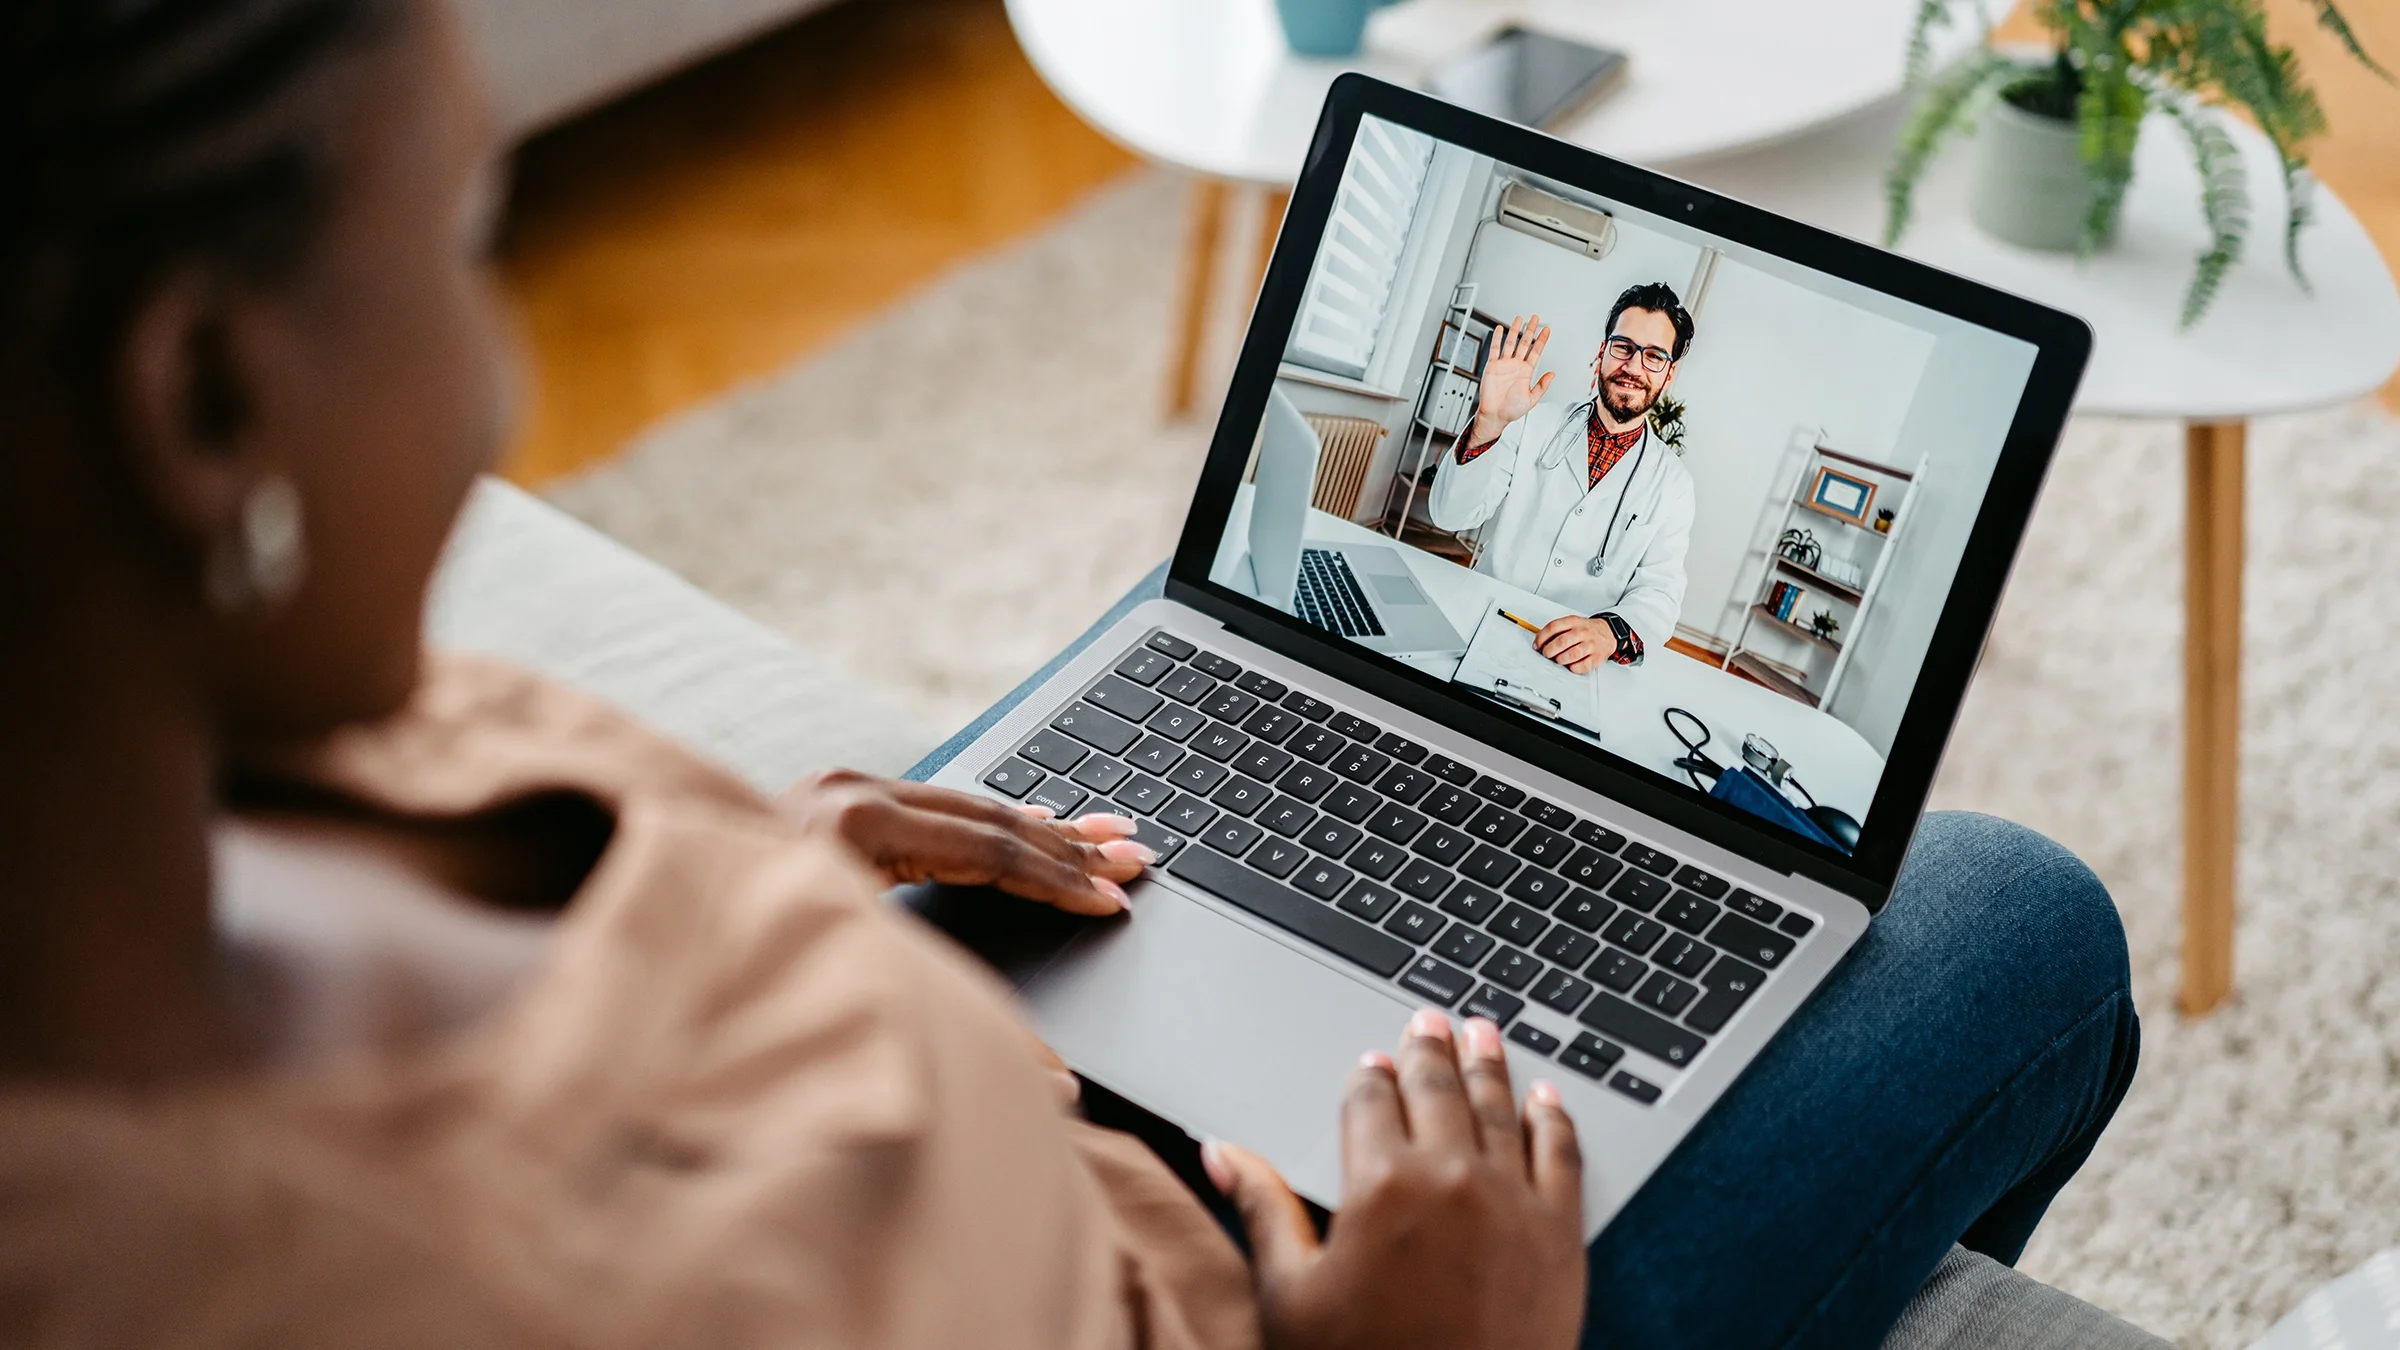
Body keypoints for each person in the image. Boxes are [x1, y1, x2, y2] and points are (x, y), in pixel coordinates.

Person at [0, 0, 2140, 1346]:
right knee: (2014, 915)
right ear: (199, 403)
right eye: (461, 239)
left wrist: (737, 863)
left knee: (1203, 682)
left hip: (986, 960)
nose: (502, 374)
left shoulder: (229, 755)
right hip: (1301, 1296)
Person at [1427, 285, 1699, 674]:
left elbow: (1662, 591)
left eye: (1654, 356)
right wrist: (1489, 423)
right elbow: (1449, 515)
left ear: (1669, 375)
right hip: (1482, 618)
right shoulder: (1529, 420)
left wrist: (1608, 633)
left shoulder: (1673, 485)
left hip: (1572, 659)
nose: (1634, 367)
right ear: (1600, 353)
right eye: (1623, 347)